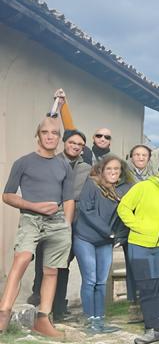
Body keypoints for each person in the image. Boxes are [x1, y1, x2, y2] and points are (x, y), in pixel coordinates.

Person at [0, 118, 76, 337]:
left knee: (51, 271)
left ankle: (43, 319)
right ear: (38, 135)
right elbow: (7, 195)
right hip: (31, 219)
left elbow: (69, 198)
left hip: (57, 223)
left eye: (54, 133)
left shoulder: (64, 165)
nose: (50, 136)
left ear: (59, 138)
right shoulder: (23, 162)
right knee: (21, 259)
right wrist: (34, 206)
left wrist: (66, 225)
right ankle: (3, 313)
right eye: (45, 132)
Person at [117, 160, 159, 344]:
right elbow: (124, 208)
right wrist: (139, 227)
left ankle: (156, 325)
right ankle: (152, 329)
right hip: (140, 244)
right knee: (147, 287)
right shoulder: (143, 187)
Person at [29, 126, 91, 322]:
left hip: (74, 222)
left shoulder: (86, 168)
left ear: (83, 148)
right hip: (49, 219)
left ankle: (58, 309)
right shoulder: (51, 162)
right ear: (64, 143)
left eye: (80, 144)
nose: (75, 146)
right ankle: (38, 306)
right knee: (43, 263)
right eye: (72, 142)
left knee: (63, 265)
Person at [72, 154, 132, 333]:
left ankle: (100, 320)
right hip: (86, 238)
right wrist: (110, 233)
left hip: (105, 241)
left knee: (101, 282)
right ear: (101, 170)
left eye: (116, 169)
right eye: (109, 169)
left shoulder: (120, 190)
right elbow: (86, 210)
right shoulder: (92, 184)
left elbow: (123, 216)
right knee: (90, 280)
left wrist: (118, 236)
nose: (113, 172)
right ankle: (89, 320)